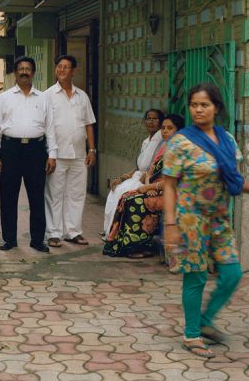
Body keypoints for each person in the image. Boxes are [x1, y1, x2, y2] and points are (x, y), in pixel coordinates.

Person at [162, 84, 247, 359]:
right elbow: (169, 186)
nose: (198, 109)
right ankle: (192, 334)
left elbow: (235, 178)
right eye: (194, 104)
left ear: (216, 108)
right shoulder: (180, 142)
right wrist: (171, 224)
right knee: (196, 277)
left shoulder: (227, 140)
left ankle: (206, 320)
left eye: (205, 105)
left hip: (219, 218)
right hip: (190, 220)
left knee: (232, 274)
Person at [0, 56, 57, 253]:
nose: (24, 72)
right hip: (10, 150)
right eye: (21, 68)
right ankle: (9, 239)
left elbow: (50, 128)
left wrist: (52, 154)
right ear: (15, 73)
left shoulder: (44, 98)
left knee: (37, 197)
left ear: (33, 73)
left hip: (36, 151)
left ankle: (37, 240)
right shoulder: (4, 98)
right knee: (8, 197)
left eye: (28, 69)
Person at [103, 114, 184, 258]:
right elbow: (149, 172)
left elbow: (173, 181)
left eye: (170, 128)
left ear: (179, 131)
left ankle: (138, 246)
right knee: (126, 197)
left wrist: (151, 188)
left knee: (135, 202)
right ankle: (122, 243)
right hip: (155, 189)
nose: (165, 131)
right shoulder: (164, 148)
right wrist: (148, 186)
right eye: (164, 128)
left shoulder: (179, 150)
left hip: (171, 192)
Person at [43, 55, 96, 248]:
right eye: (59, 67)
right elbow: (45, 126)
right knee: (54, 195)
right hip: (56, 154)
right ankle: (54, 233)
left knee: (76, 194)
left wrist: (92, 149)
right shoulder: (47, 95)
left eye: (66, 67)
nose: (62, 70)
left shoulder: (82, 96)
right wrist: (50, 154)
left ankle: (73, 232)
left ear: (74, 71)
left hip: (79, 154)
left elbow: (89, 124)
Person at [102, 109, 164, 236]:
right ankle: (109, 231)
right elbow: (138, 166)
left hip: (146, 180)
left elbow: (151, 170)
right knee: (115, 190)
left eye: (154, 119)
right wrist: (123, 178)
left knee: (123, 194)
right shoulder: (146, 141)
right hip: (138, 176)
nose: (151, 122)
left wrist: (141, 183)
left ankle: (118, 233)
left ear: (160, 121)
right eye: (148, 118)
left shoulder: (162, 141)